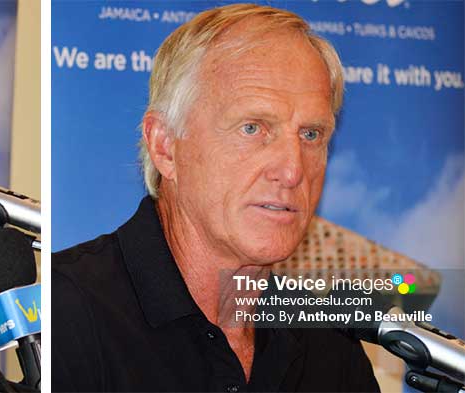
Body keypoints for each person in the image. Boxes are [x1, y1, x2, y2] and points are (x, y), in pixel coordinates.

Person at [52, 4, 380, 392]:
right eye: (253, 127)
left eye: (310, 135)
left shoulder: (330, 340)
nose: (293, 171)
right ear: (165, 146)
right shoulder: (68, 315)